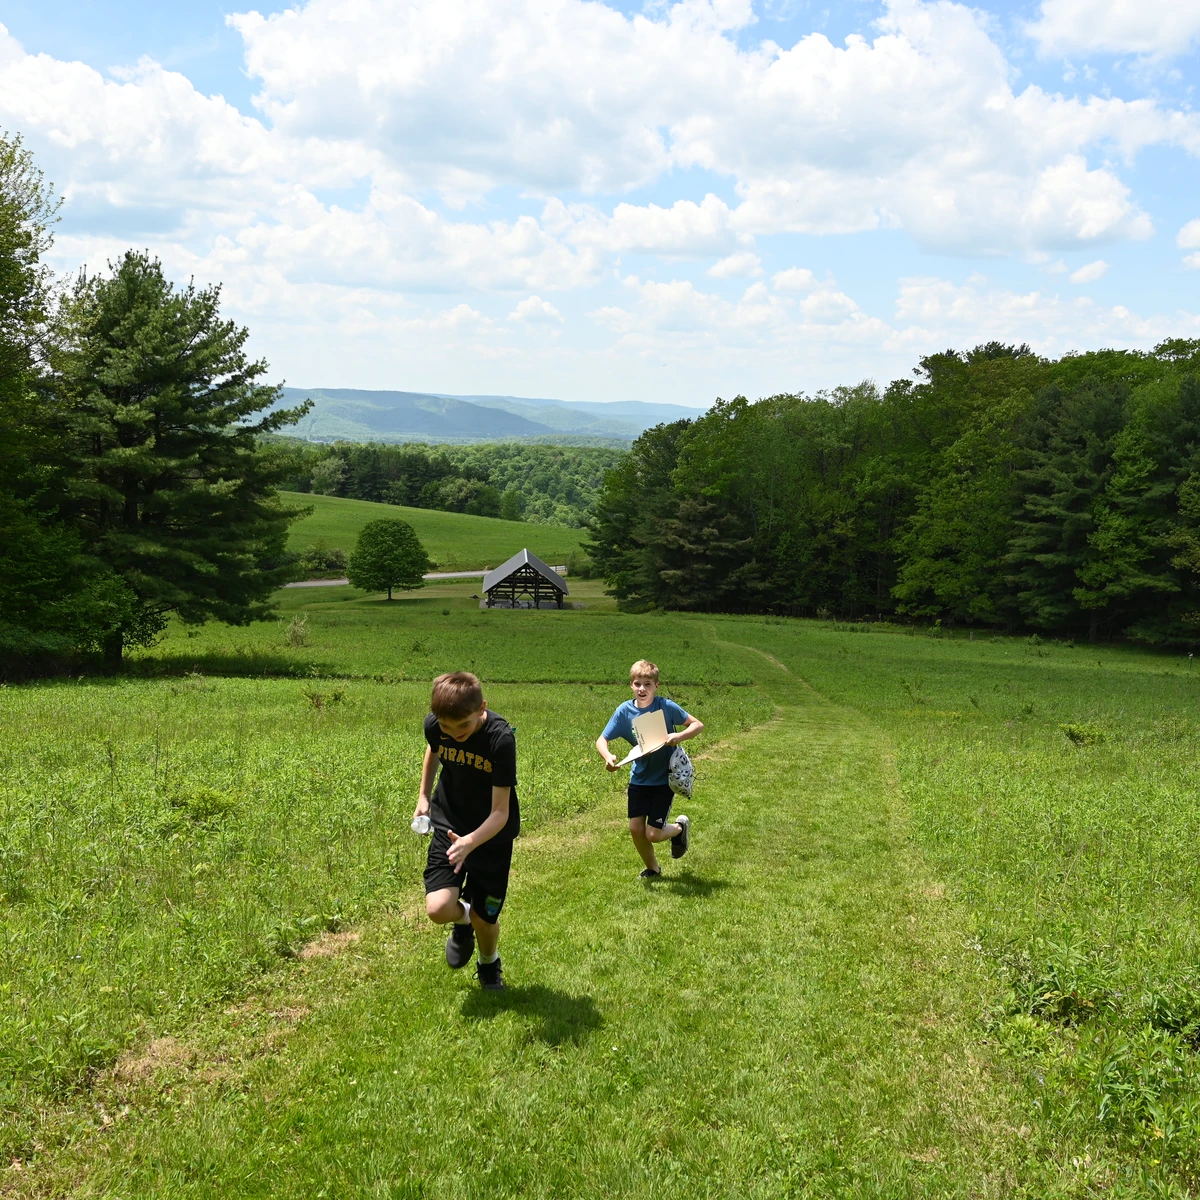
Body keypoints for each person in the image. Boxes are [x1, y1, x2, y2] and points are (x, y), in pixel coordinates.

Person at [413, 671, 518, 990]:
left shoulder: (500, 739)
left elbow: (501, 812)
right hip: (450, 824)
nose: (454, 733)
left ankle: (489, 965)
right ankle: (463, 919)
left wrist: (471, 842)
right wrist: (423, 796)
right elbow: (434, 749)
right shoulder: (436, 725)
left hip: (490, 837)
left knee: (486, 921)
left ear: (482, 708)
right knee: (438, 908)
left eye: (463, 726)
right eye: (446, 726)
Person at [595, 659, 704, 879]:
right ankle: (653, 869)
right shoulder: (624, 712)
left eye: (647, 684)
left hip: (664, 779)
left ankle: (680, 828)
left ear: (656, 686)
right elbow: (601, 740)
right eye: (637, 684)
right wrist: (608, 757)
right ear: (631, 686)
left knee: (652, 834)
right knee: (636, 829)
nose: (642, 689)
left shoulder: (665, 707)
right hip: (639, 779)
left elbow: (697, 724)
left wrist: (678, 735)